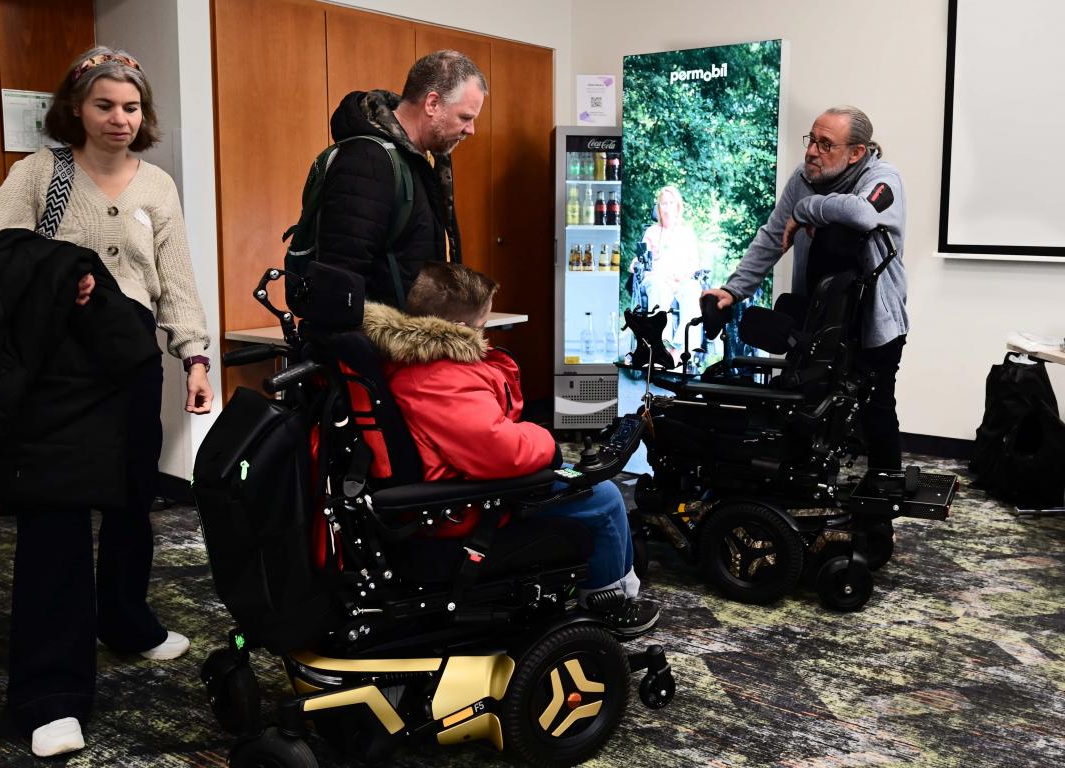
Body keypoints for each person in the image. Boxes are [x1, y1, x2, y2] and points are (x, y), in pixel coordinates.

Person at [0, 46, 211, 758]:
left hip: (131, 362)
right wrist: (55, 274)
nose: (119, 118)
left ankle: (126, 621)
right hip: (59, 374)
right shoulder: (39, 173)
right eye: (104, 105)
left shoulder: (157, 185)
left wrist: (194, 356)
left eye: (131, 106)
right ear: (76, 108)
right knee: (57, 522)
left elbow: (176, 278)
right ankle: (49, 695)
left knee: (132, 501)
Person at [363, 260, 659, 634]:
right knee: (604, 498)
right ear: (459, 329)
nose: (485, 331)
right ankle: (610, 605)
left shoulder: (413, 363)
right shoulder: (440, 376)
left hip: (458, 489)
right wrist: (546, 442)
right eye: (482, 324)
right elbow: (500, 451)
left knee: (588, 488)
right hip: (469, 505)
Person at [702, 106, 908, 472]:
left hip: (874, 322)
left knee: (875, 410)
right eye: (811, 140)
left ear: (856, 152)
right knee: (806, 409)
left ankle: (884, 492)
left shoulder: (882, 178)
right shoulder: (803, 177)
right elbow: (772, 237)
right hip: (818, 319)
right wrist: (733, 291)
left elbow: (862, 213)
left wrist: (807, 209)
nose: (812, 151)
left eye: (826, 144)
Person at [318, 50, 487, 306]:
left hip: (411, 330)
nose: (471, 130)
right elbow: (341, 280)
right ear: (432, 104)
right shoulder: (367, 161)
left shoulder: (424, 160)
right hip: (379, 332)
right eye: (465, 117)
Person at [641, 186, 701, 361]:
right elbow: (641, 259)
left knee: (694, 289)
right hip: (658, 278)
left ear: (678, 206)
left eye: (670, 203)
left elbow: (694, 263)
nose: (667, 208)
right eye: (663, 204)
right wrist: (638, 262)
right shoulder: (651, 232)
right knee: (658, 287)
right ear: (658, 208)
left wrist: (682, 276)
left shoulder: (687, 233)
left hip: (680, 280)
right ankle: (661, 347)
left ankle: (681, 349)